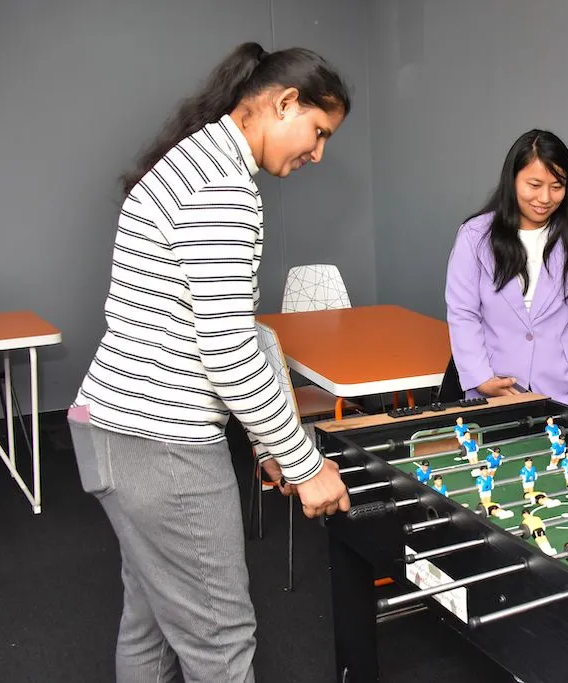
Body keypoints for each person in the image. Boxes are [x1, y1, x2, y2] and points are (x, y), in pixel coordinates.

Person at [67, 42, 352, 682]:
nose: (318, 153)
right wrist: (305, 463)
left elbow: (217, 331)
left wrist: (269, 442)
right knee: (221, 643)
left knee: (149, 626)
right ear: (285, 103)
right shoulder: (222, 188)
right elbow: (227, 350)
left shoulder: (195, 161)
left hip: (115, 432)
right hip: (163, 450)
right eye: (319, 132)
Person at [445, 129, 568, 407]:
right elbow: (463, 312)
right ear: (512, 180)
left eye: (557, 186)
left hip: (566, 387)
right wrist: (480, 378)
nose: (545, 198)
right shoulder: (475, 235)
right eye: (534, 185)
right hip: (497, 384)